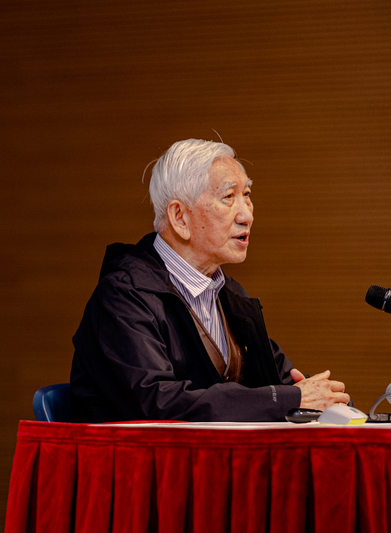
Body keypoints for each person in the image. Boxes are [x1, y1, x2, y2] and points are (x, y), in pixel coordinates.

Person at [69, 139, 349, 422]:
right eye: (228, 197)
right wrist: (289, 399)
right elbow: (160, 405)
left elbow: (282, 381)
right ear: (180, 217)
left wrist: (325, 399)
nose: (247, 215)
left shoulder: (229, 294)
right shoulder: (123, 296)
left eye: (247, 194)